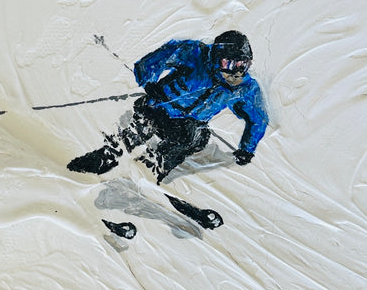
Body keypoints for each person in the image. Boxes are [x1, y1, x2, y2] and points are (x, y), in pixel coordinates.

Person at [67, 30, 268, 182]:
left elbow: (257, 118)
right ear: (216, 57)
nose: (236, 71)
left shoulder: (245, 87)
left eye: (243, 65)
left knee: (197, 137)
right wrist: (149, 82)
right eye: (229, 64)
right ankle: (108, 155)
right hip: (160, 108)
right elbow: (157, 59)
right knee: (144, 125)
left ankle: (155, 164)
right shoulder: (195, 53)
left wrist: (247, 148)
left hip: (186, 125)